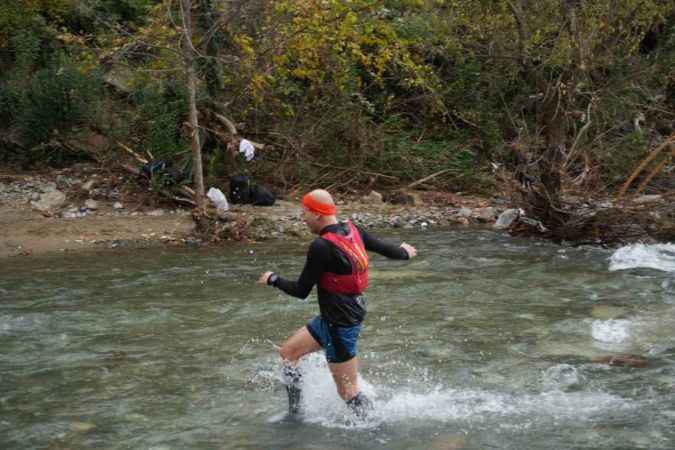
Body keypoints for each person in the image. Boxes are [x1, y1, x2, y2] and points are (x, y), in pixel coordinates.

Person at [257, 189, 417, 419]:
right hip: (336, 317)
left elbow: (301, 291)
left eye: (305, 214)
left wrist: (274, 279)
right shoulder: (352, 230)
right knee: (288, 354)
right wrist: (403, 253)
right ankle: (295, 414)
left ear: (318, 215)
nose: (302, 219)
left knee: (348, 391)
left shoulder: (321, 247)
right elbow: (384, 247)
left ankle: (376, 426)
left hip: (339, 324)